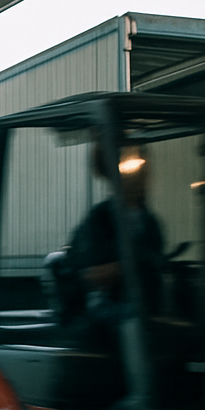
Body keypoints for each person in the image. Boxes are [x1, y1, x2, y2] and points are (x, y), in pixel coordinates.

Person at [67, 141, 165, 329]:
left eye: (144, 170)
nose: (143, 177)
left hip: (144, 303)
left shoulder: (149, 221)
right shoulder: (100, 219)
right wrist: (124, 268)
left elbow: (155, 260)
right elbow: (89, 274)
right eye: (134, 170)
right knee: (136, 321)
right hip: (108, 307)